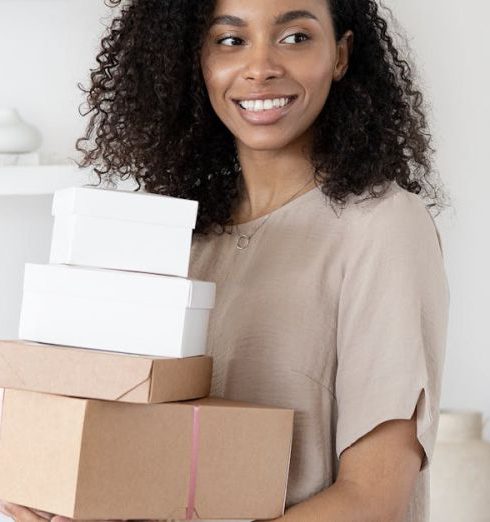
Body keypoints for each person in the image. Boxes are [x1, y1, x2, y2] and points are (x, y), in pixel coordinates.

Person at [1, 0, 451, 521]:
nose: (260, 67)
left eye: (296, 37)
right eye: (230, 40)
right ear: (195, 60)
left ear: (342, 55)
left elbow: (374, 502)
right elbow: (151, 461)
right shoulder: (182, 239)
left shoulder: (383, 226)